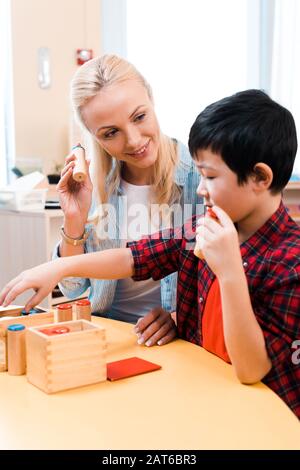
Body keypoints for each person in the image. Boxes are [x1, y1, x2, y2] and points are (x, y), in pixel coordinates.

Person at [1, 90, 299, 418]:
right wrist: (59, 267)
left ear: (260, 177)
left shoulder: (290, 260)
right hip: (203, 396)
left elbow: (251, 370)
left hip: (262, 417)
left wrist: (229, 273)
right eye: (199, 175)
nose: (200, 189)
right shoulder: (203, 226)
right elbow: (135, 257)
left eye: (210, 177)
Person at [55, 54, 200, 346]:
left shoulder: (201, 177)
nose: (133, 140)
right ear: (95, 138)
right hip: (111, 338)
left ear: (151, 99)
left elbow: (226, 280)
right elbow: (72, 288)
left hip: (179, 343)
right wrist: (74, 220)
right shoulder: (94, 187)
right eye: (111, 133)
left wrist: (177, 317)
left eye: (139, 117)